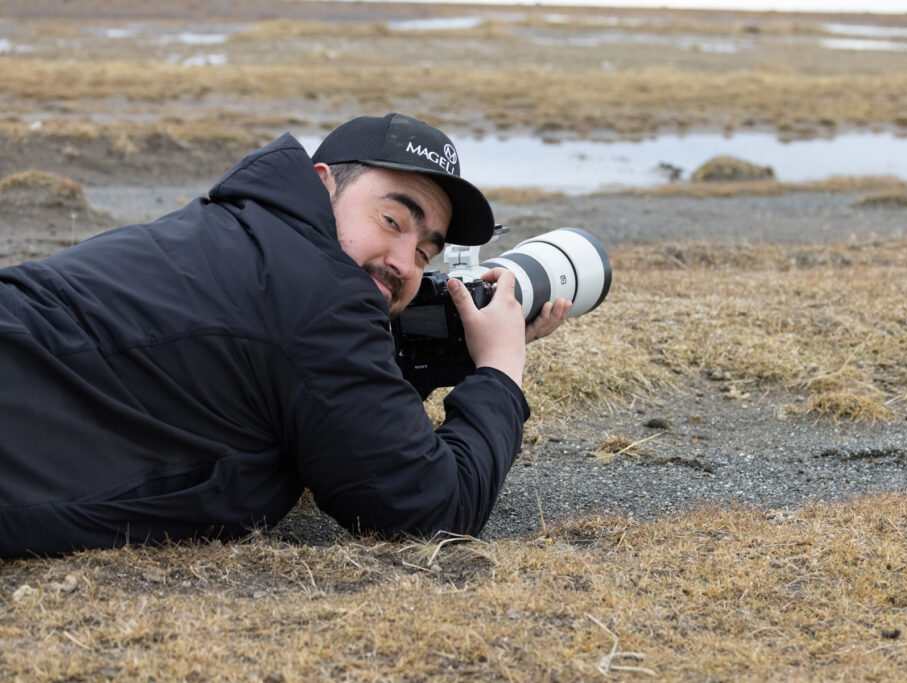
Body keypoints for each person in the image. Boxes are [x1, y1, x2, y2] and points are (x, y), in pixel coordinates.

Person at [0, 113, 569, 558]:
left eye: (425, 251)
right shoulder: (322, 293)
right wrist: (498, 371)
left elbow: (319, 409)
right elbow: (433, 506)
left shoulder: (238, 230)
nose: (403, 262)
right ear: (322, 185)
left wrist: (440, 363)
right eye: (392, 220)